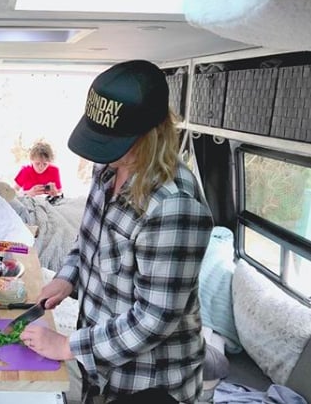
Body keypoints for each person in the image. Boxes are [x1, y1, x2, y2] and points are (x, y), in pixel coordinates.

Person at [20, 60, 214, 404]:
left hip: (150, 383)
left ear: (150, 133)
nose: (101, 149)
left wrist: (67, 345)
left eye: (112, 140)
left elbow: (154, 319)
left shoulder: (174, 206)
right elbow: (88, 240)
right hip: (101, 364)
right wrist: (66, 278)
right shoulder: (109, 166)